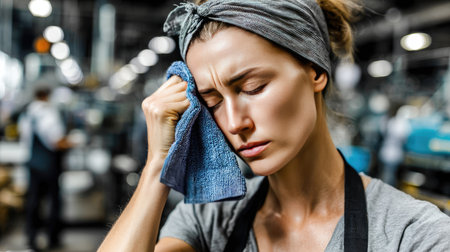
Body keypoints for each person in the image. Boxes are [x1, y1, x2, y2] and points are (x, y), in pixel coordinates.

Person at [99, 0, 450, 251]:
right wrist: (158, 166)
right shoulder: (209, 221)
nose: (235, 123)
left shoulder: (414, 235)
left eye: (253, 88)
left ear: (315, 70)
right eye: (212, 101)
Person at [19, 86, 72, 250]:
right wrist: (71, 143)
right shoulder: (48, 113)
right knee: (54, 202)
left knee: (33, 202)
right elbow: (56, 140)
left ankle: (32, 238)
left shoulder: (27, 114)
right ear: (47, 96)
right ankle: (52, 238)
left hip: (32, 163)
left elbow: (25, 138)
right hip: (49, 164)